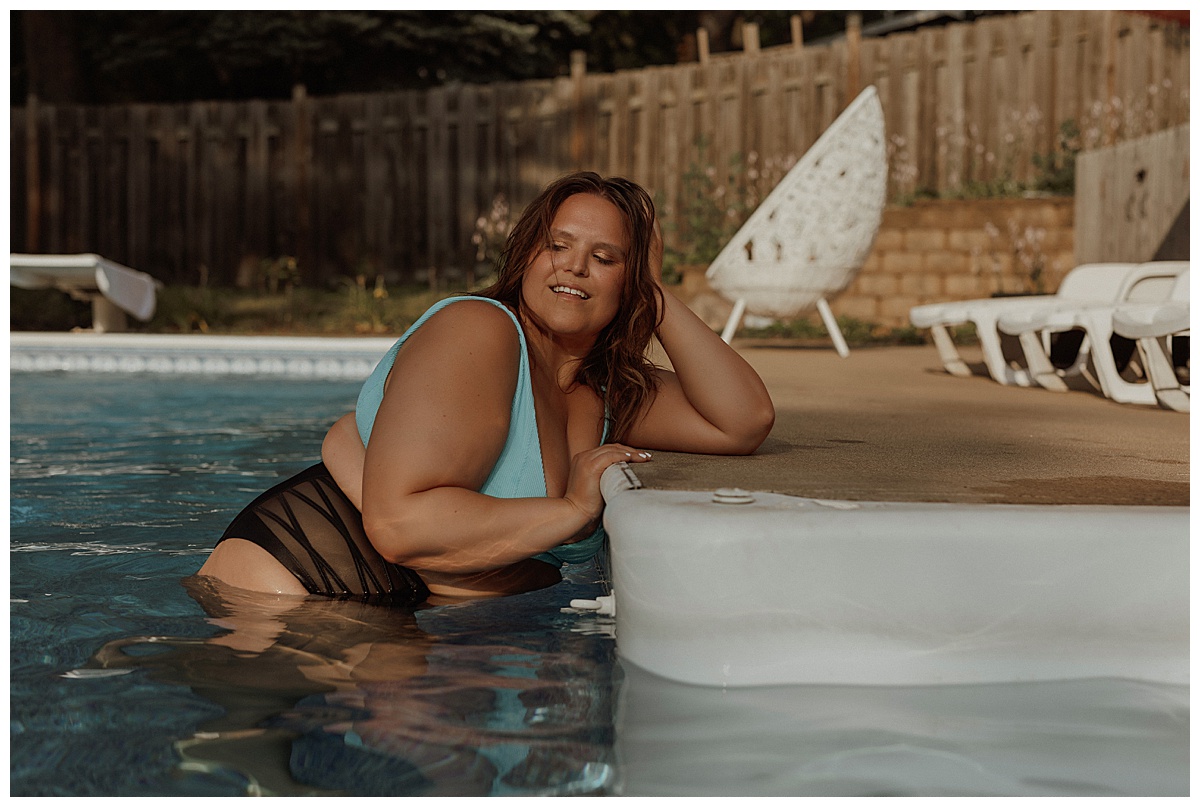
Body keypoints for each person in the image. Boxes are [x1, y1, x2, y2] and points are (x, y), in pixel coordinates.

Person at [197, 171, 774, 604]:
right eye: (557, 245)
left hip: (393, 618)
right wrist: (571, 510)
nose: (573, 267)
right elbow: (401, 527)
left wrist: (654, 289)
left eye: (604, 258)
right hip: (286, 597)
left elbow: (743, 421)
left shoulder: (603, 390)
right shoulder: (481, 331)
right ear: (527, 255)